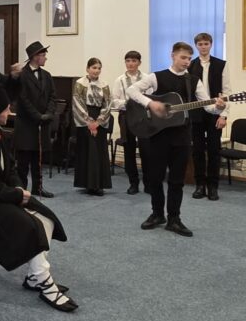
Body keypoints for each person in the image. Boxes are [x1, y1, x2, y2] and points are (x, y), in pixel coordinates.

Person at [0, 81, 76, 312]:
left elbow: (10, 169)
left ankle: (33, 277)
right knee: (30, 226)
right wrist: (14, 195)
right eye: (5, 108)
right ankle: (45, 283)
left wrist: (20, 190)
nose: (9, 111)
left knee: (46, 218)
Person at [126, 42, 225, 237]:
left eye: (189, 58)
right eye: (183, 57)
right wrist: (151, 103)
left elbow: (208, 107)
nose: (187, 61)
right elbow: (132, 91)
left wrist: (219, 107)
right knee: (155, 178)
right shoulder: (157, 76)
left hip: (181, 136)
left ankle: (174, 219)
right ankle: (157, 214)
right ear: (173, 56)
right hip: (157, 134)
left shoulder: (194, 81)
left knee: (177, 180)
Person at [189, 32, 230, 201]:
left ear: (211, 45)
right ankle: (200, 185)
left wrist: (224, 115)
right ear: (196, 46)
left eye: (206, 43)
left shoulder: (221, 64)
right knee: (197, 151)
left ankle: (213, 186)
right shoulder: (190, 66)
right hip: (196, 114)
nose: (203, 47)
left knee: (214, 150)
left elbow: (227, 92)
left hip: (215, 113)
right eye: (200, 44)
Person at [14, 41, 56, 198]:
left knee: (38, 159)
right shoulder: (22, 75)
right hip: (26, 124)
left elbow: (52, 97)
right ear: (35, 57)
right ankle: (22, 189)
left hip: (42, 123)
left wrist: (49, 114)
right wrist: (38, 116)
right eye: (43, 55)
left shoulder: (47, 75)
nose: (46, 58)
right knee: (23, 161)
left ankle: (38, 187)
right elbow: (23, 100)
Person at [72, 58, 112, 196]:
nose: (97, 70)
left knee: (99, 152)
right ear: (87, 69)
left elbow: (108, 104)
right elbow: (77, 103)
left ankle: (98, 185)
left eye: (99, 68)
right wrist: (89, 122)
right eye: (94, 67)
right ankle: (87, 184)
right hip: (85, 120)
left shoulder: (104, 85)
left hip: (99, 120)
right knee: (87, 151)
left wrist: (98, 122)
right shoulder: (80, 83)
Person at [111, 50, 149, 194]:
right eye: (128, 61)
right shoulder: (119, 80)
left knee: (146, 150)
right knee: (129, 150)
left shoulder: (147, 78)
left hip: (144, 117)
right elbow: (114, 100)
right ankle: (133, 183)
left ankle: (148, 182)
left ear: (139, 62)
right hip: (126, 116)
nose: (130, 64)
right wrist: (128, 103)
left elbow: (151, 96)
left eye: (134, 61)